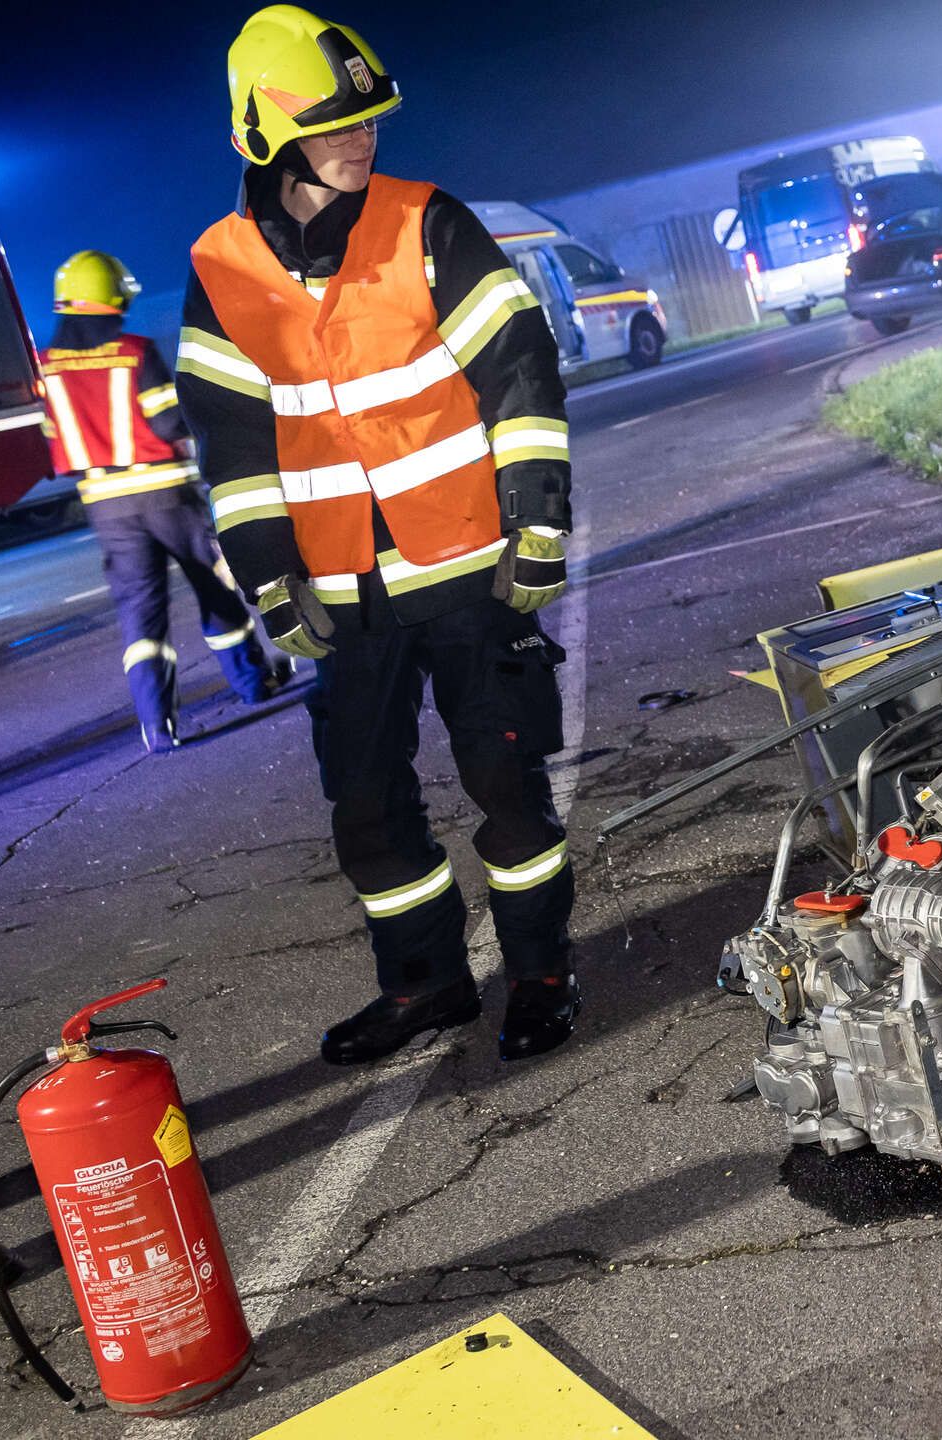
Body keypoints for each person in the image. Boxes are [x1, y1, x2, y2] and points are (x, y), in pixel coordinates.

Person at [176, 5, 579, 1065]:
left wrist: (537, 520)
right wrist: (267, 578)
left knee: (506, 783)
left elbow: (520, 371)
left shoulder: (427, 221)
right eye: (338, 126)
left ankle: (541, 975)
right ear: (265, 136)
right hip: (341, 586)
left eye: (373, 121)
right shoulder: (220, 268)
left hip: (467, 567)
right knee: (364, 802)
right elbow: (232, 441)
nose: (364, 140)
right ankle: (426, 986)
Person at [39, 250, 281, 752]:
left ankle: (157, 727)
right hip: (165, 494)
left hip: (106, 508)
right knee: (212, 590)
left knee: (141, 617)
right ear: (114, 296)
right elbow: (167, 422)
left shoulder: (49, 366)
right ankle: (253, 684)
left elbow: (52, 435)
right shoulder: (134, 350)